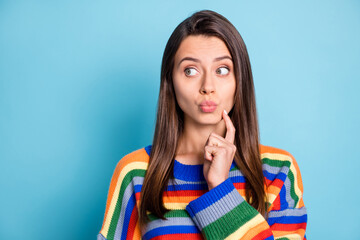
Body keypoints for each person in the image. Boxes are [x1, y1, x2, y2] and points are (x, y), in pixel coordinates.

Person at [97, 10, 307, 240]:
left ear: (240, 80)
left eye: (222, 70)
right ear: (170, 81)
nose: (208, 86)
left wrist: (219, 188)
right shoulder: (136, 173)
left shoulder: (278, 171)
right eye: (190, 71)